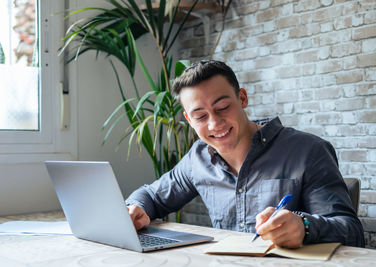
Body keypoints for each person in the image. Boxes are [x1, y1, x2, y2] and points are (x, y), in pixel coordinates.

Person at [125, 60, 365, 248]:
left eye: (223, 107)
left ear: (242, 98)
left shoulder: (308, 151)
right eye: (200, 116)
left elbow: (351, 232)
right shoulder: (197, 158)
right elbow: (151, 196)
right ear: (188, 119)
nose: (214, 124)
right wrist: (135, 208)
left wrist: (305, 226)